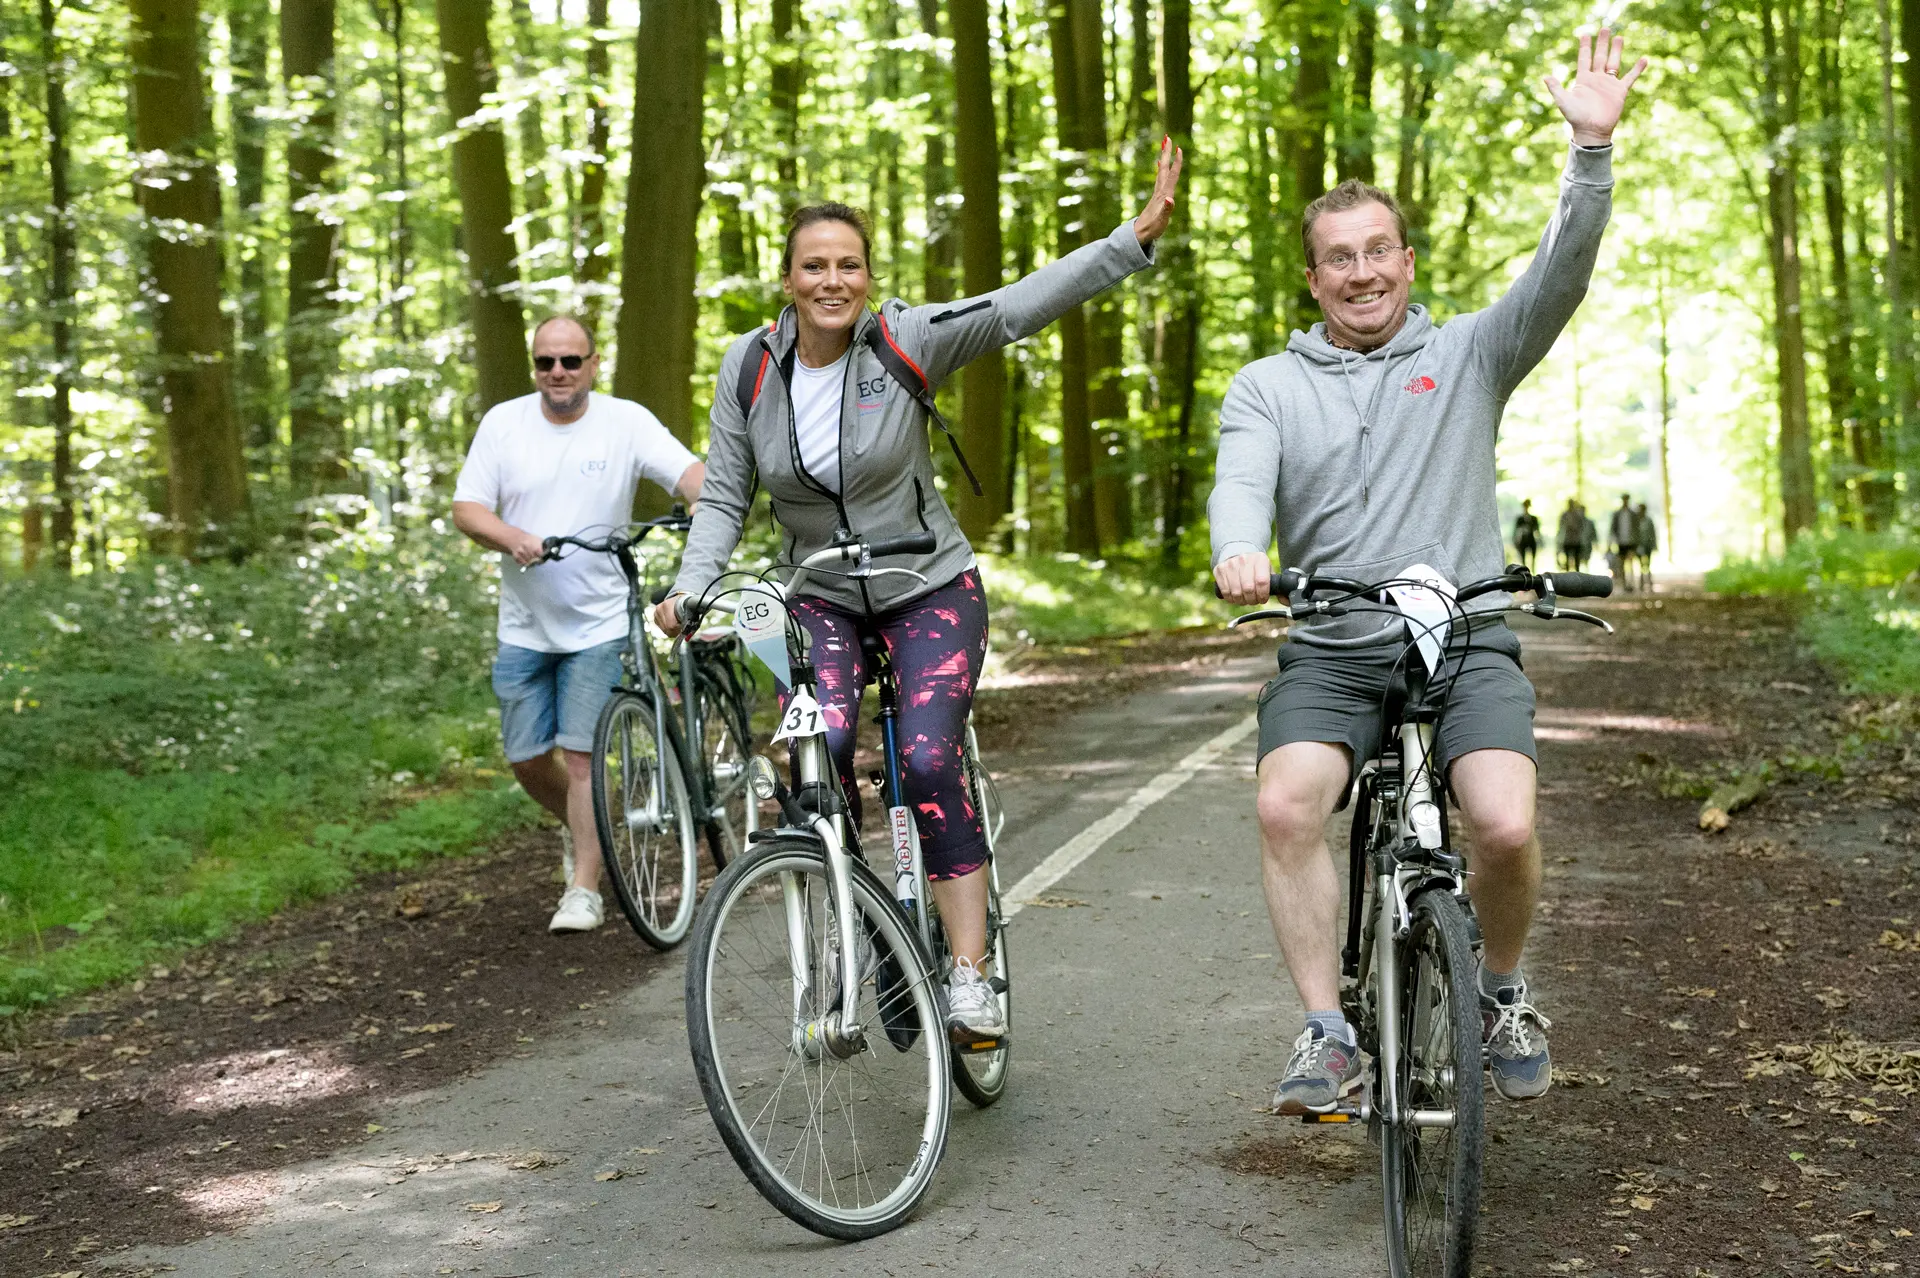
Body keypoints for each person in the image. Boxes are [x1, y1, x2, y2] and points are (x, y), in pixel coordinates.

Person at [656, 144, 1184, 1045]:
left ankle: (971, 976)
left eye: (848, 265)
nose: (833, 281)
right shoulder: (749, 368)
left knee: (928, 763)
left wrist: (1127, 242)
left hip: (926, 585)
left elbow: (1021, 304)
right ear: (787, 280)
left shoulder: (909, 335)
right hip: (815, 595)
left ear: (869, 275)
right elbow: (724, 494)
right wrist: (691, 590)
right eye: (814, 266)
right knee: (808, 760)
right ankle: (868, 928)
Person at [1209, 29, 1646, 1113]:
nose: (1362, 272)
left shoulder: (1468, 356)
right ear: (1313, 278)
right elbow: (1241, 480)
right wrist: (1239, 548)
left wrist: (1589, 153)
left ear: (1407, 261)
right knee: (1284, 804)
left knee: (1501, 821)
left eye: (1379, 251)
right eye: (1339, 258)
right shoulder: (1269, 385)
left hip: (1466, 645)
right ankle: (1325, 1034)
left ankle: (1499, 989)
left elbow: (1562, 272)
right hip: (1334, 648)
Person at [451, 316, 706, 934]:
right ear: (534, 367)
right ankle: (586, 820)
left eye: (570, 361)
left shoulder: (625, 421)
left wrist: (703, 508)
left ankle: (585, 889)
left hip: (598, 622)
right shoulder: (504, 425)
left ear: (594, 363)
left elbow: (692, 474)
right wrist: (512, 537)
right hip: (523, 624)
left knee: (583, 757)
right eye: (546, 363)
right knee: (527, 759)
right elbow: (466, 508)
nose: (558, 373)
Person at [1607, 492, 1636, 591]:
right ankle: (1624, 584)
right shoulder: (1617, 514)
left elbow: (1637, 529)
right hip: (1621, 542)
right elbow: (1613, 529)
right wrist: (1611, 542)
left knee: (1631, 563)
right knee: (1621, 564)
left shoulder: (1633, 514)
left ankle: (1631, 583)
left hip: (1631, 542)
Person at [1632, 500, 1657, 591]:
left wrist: (1654, 545)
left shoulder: (1649, 520)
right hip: (1639, 546)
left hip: (1648, 545)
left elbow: (1653, 533)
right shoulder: (1636, 521)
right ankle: (1641, 584)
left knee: (1648, 565)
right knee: (1640, 565)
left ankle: (1649, 583)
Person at [1512, 498, 1541, 571]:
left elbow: (1537, 530)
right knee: (1523, 558)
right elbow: (1516, 531)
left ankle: (1533, 571)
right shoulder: (1520, 519)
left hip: (1531, 539)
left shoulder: (1534, 518)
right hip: (1523, 540)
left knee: (1533, 558)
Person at [1555, 498, 1583, 571]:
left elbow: (1581, 526)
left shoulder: (1578, 514)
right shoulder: (1564, 515)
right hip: (1567, 540)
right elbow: (1561, 526)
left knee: (1577, 560)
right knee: (1567, 559)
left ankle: (1577, 573)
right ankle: (1568, 574)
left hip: (1576, 540)